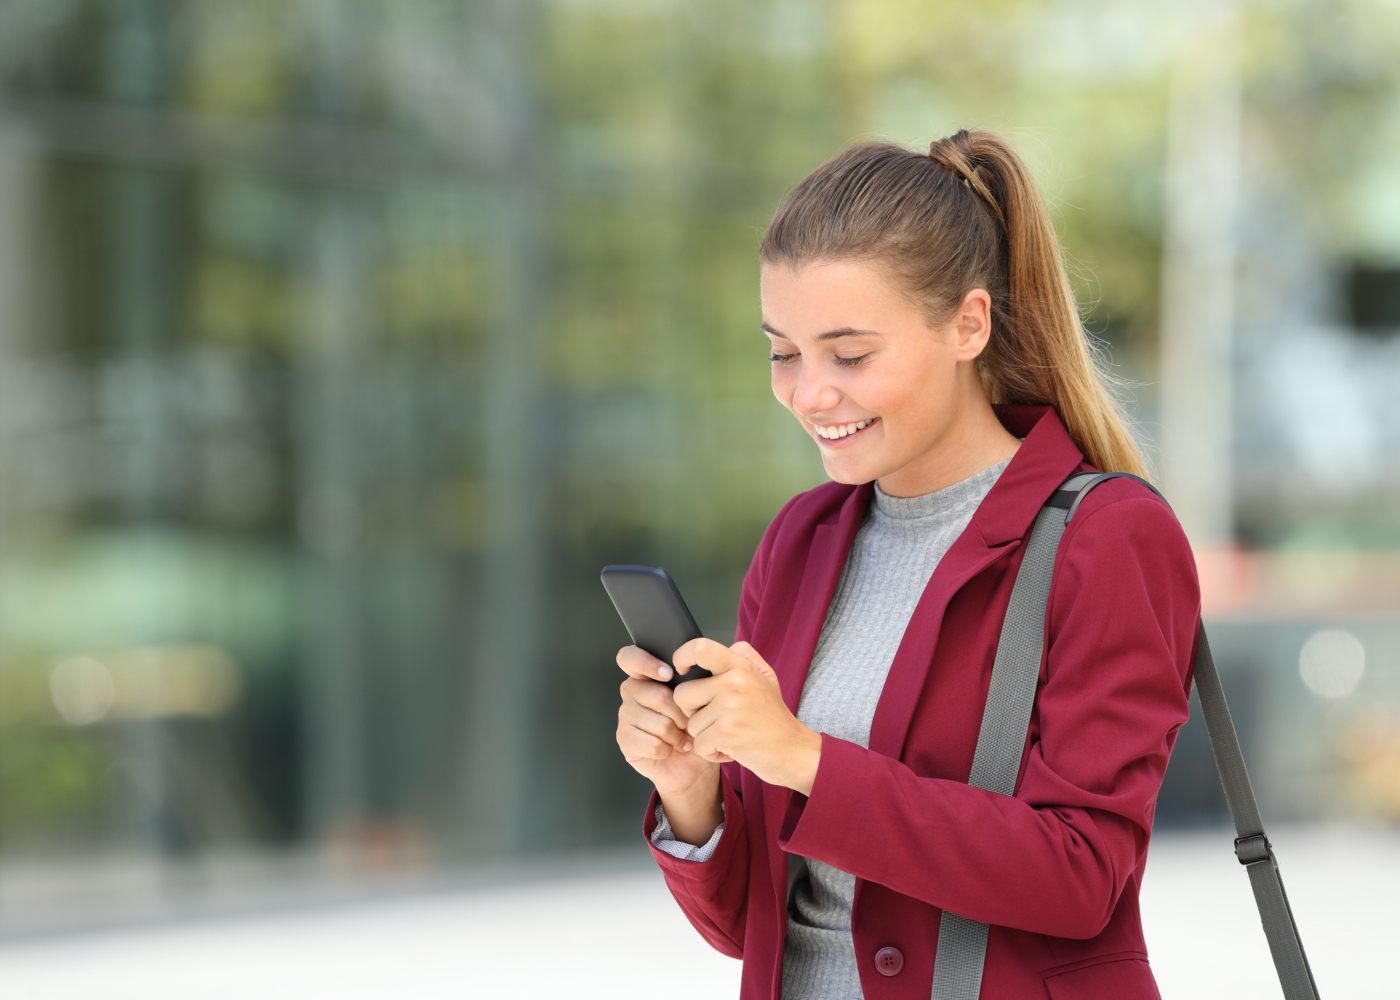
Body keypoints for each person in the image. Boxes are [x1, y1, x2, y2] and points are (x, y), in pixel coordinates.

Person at [613, 129, 1198, 1000]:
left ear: (969, 323)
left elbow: (1082, 877)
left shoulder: (1106, 535)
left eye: (850, 355)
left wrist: (805, 758)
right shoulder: (800, 541)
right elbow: (754, 928)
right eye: (783, 351)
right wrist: (693, 793)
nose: (810, 392)